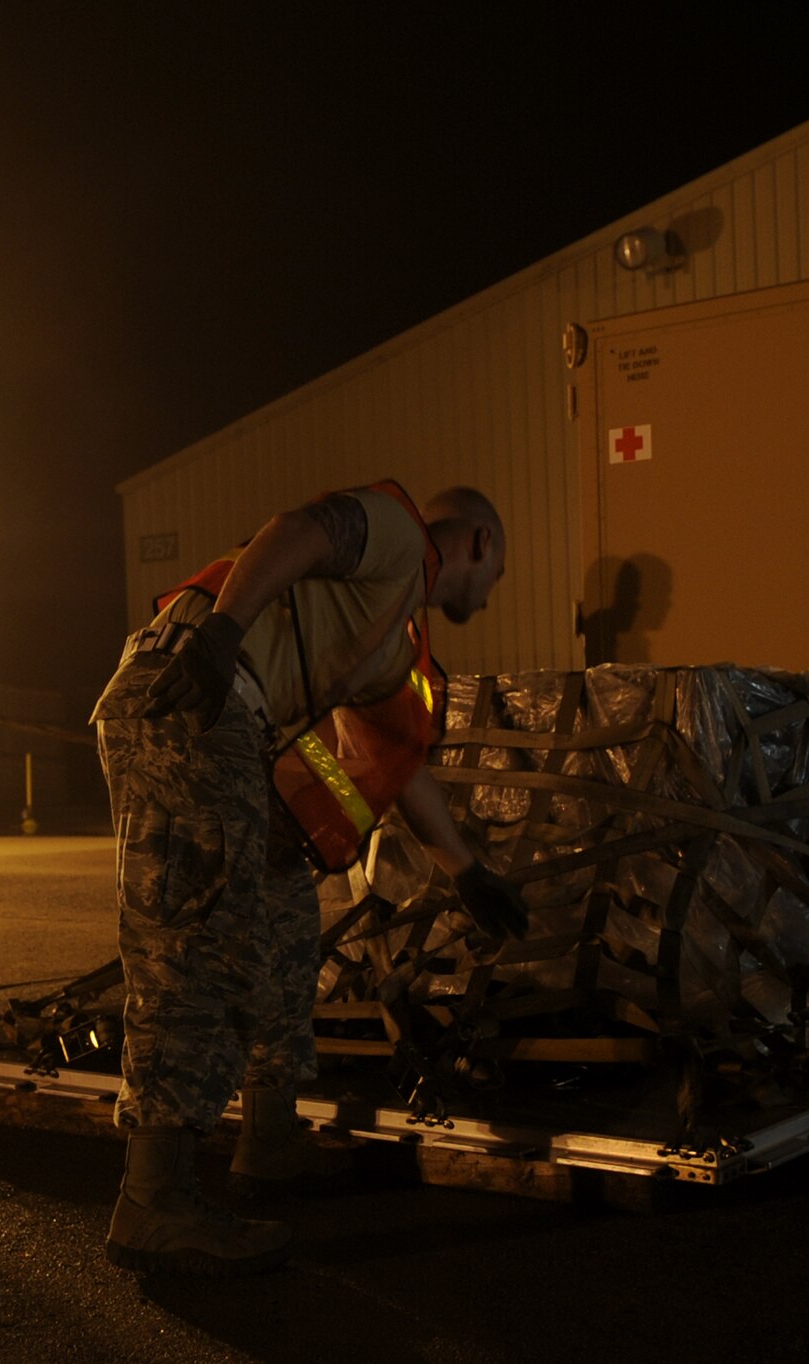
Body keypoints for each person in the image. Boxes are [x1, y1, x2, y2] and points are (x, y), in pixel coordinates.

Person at [92, 480, 530, 1276]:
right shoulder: (397, 533)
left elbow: (390, 766)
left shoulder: (388, 637)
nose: (490, 598)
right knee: (197, 951)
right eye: (495, 578)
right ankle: (153, 1201)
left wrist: (467, 873)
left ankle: (268, 1141)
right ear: (477, 545)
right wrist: (224, 631)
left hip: (240, 726)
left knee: (285, 914)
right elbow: (296, 529)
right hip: (197, 690)